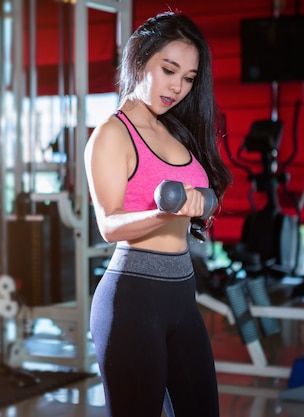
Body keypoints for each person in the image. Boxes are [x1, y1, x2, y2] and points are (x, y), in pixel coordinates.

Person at [84, 11, 232, 417]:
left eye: (188, 77)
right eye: (169, 70)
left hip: (181, 294)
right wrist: (166, 213)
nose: (178, 86)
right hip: (133, 297)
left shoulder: (176, 129)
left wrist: (201, 203)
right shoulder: (112, 135)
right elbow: (109, 225)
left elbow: (201, 196)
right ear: (139, 60)